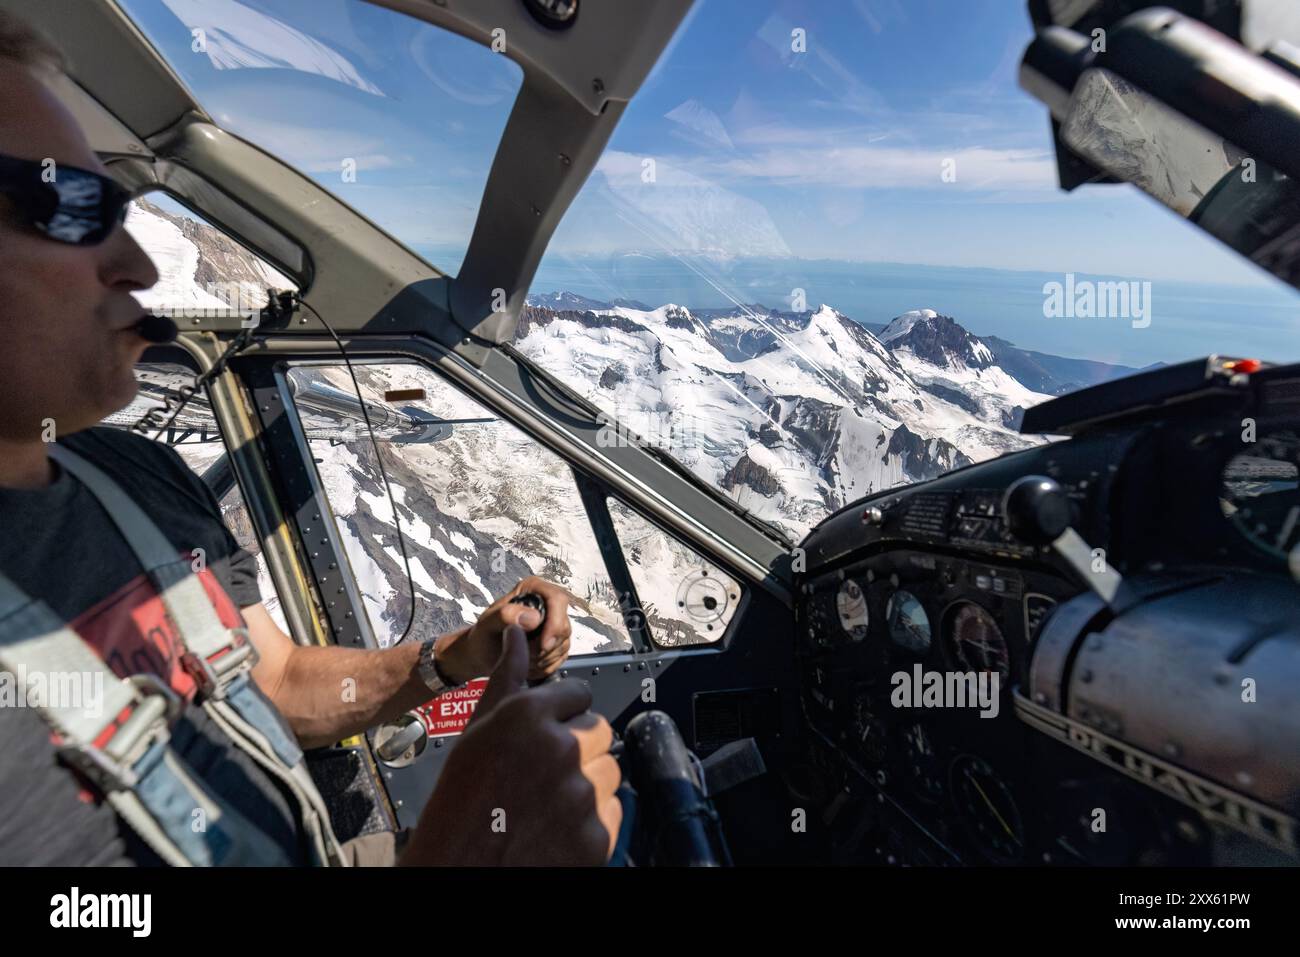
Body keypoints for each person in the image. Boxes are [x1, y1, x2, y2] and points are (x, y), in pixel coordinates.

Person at [0, 11, 622, 866]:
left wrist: (456, 656)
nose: (138, 266)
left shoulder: (135, 476)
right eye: (71, 206)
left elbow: (276, 681)